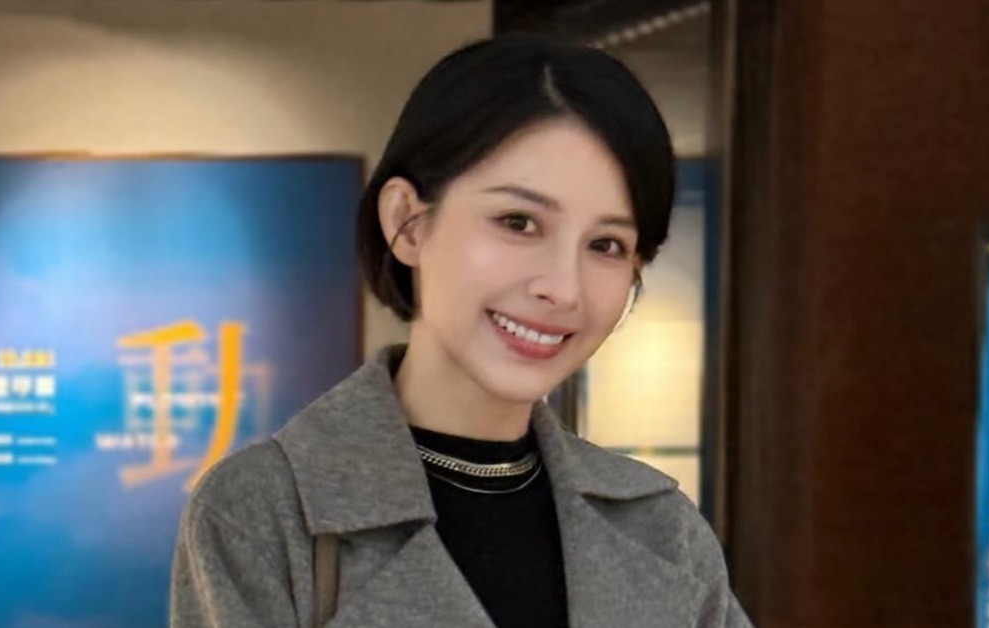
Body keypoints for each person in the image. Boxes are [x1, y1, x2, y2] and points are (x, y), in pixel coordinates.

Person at [169, 33, 752, 628]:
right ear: (408, 222)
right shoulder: (262, 512)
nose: (563, 288)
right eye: (518, 222)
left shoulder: (661, 527)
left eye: (606, 245)